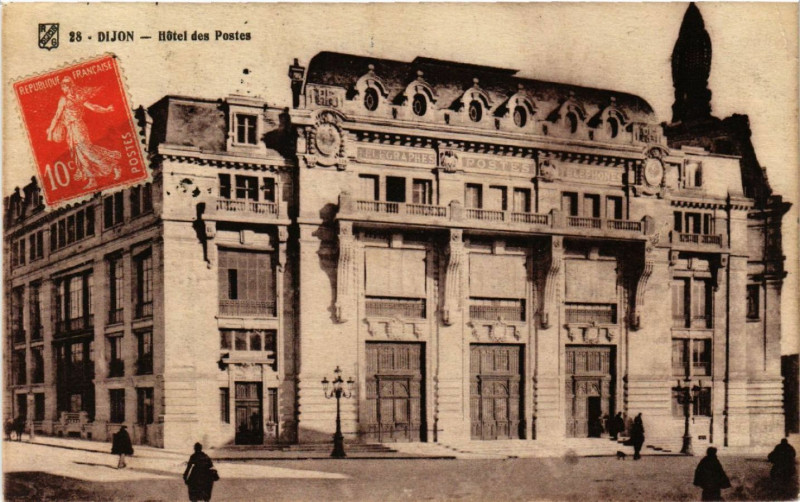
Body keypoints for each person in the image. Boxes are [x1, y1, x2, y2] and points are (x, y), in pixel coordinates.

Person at [46, 76, 122, 189]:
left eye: (65, 85)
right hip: (70, 130)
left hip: (78, 127)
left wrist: (106, 110)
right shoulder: (64, 99)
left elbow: (92, 107)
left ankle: (114, 166)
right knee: (80, 155)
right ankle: (92, 179)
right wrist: (51, 131)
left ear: (70, 86)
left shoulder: (77, 97)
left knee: (87, 151)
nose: (63, 88)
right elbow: (57, 116)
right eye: (62, 85)